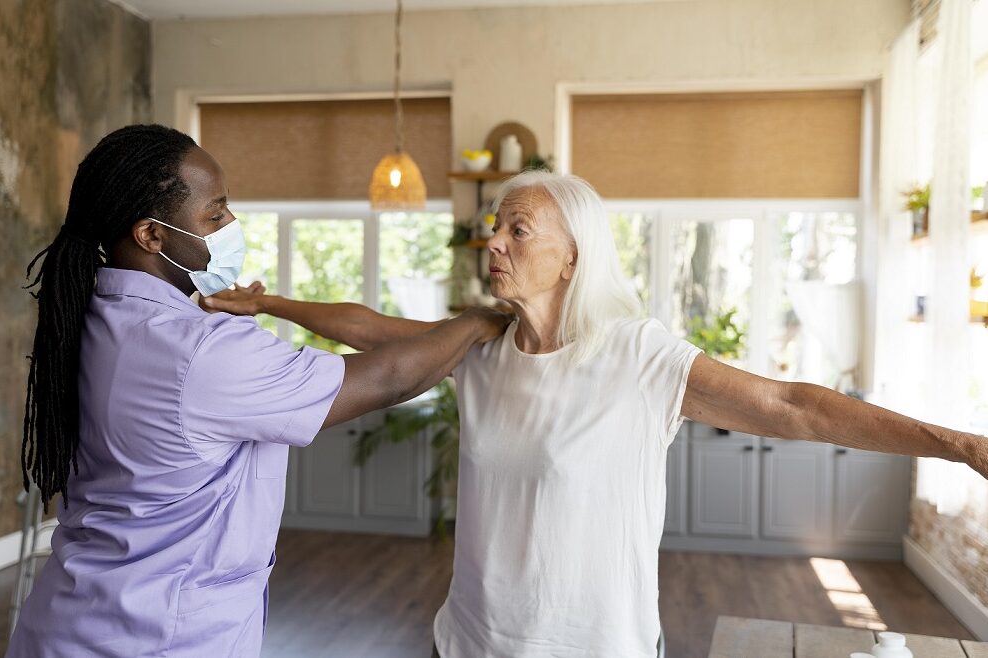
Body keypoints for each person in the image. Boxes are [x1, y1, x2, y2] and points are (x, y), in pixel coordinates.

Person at [205, 170, 988, 658]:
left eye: (519, 229)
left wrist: (953, 443)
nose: (494, 245)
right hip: (469, 642)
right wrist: (268, 301)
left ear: (574, 256)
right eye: (494, 228)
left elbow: (793, 407)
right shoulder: (479, 348)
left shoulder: (638, 356)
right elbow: (374, 329)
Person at [8, 124, 509, 658]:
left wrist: (270, 304)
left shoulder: (92, 318)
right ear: (151, 236)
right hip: (154, 639)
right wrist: (477, 322)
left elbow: (370, 336)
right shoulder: (199, 352)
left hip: (70, 620)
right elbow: (387, 377)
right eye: (215, 213)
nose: (232, 225)